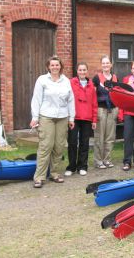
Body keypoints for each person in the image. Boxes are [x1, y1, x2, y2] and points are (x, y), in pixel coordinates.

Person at [30, 56, 75, 188]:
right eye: (52, 65)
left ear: (60, 66)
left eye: (57, 65)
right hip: (46, 116)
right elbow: (36, 99)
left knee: (59, 146)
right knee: (46, 146)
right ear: (48, 67)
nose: (55, 67)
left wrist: (71, 118)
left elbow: (70, 100)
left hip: (62, 117)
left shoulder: (66, 81)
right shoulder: (42, 80)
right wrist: (35, 117)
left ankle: (55, 173)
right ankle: (39, 177)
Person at [65, 62, 98, 177]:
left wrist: (94, 120)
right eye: (80, 70)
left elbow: (94, 103)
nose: (82, 72)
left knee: (85, 143)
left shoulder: (91, 85)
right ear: (77, 71)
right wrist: (69, 117)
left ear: (87, 71)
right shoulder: (70, 83)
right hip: (74, 118)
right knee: (72, 142)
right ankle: (71, 167)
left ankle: (82, 166)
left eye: (84, 70)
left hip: (87, 118)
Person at [92, 55, 119, 169]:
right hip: (101, 110)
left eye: (107, 63)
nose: (105, 65)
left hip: (113, 110)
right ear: (101, 64)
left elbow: (118, 94)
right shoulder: (97, 78)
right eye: (103, 63)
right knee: (99, 136)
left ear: (111, 65)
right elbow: (93, 96)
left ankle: (107, 159)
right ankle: (98, 161)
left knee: (110, 137)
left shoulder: (115, 78)